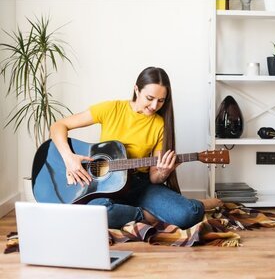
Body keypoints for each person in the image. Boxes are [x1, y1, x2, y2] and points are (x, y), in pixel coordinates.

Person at [50, 66, 223, 229]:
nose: (155, 106)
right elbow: (58, 126)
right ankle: (146, 216)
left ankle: (200, 203)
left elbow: (155, 178)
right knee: (97, 212)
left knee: (188, 214)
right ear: (136, 89)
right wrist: (69, 158)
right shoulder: (111, 109)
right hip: (104, 186)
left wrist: (163, 171)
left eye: (161, 101)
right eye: (150, 98)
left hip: (139, 185)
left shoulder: (160, 124)